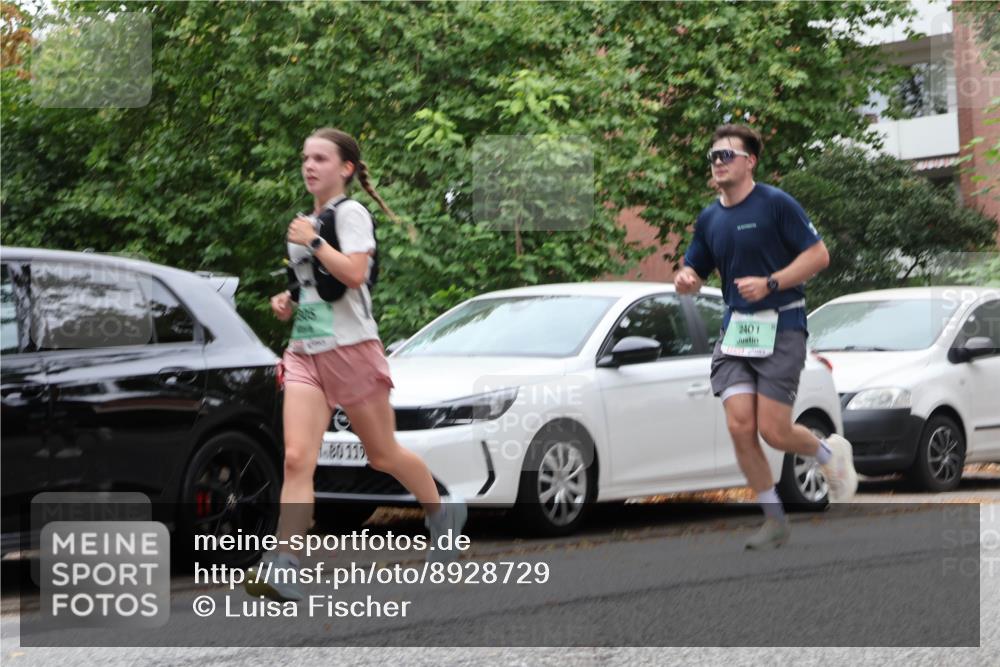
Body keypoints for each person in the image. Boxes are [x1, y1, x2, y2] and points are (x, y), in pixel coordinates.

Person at [246, 128, 466, 601]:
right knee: (298, 459)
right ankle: (285, 565)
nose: (309, 165)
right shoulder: (306, 220)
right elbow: (314, 285)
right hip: (306, 352)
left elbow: (355, 274)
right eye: (305, 157)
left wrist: (315, 243)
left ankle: (441, 511)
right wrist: (288, 300)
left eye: (321, 158)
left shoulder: (352, 214)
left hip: (352, 351)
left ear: (345, 168)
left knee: (382, 454)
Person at [674, 124, 858, 550]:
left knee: (774, 431)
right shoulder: (710, 217)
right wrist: (685, 277)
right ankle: (773, 517)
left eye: (726, 155)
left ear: (749, 161)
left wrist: (771, 283)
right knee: (740, 427)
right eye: (713, 156)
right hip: (736, 331)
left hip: (783, 326)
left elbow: (819, 255)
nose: (718, 163)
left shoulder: (776, 204)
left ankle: (830, 455)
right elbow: (693, 268)